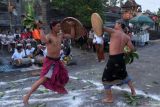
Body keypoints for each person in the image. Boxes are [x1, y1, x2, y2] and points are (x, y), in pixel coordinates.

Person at [23, 19, 75, 105]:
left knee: (63, 76)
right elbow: (43, 40)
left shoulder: (60, 35)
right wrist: (40, 28)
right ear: (53, 27)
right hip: (50, 62)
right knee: (43, 80)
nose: (59, 27)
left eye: (59, 26)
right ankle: (27, 96)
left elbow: (72, 36)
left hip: (58, 61)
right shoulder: (49, 36)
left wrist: (72, 26)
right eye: (58, 26)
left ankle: (60, 90)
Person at [101, 19, 136, 103]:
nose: (114, 25)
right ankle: (133, 92)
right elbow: (133, 49)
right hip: (121, 58)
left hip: (113, 59)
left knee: (105, 78)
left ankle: (109, 98)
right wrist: (126, 52)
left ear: (120, 24)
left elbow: (101, 28)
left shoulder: (113, 31)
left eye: (116, 23)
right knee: (124, 75)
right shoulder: (126, 37)